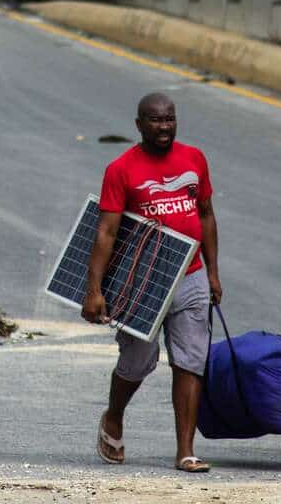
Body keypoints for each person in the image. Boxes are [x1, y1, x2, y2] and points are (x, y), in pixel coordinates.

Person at [81, 93, 221, 474]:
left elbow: (206, 214)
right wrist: (94, 291)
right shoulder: (121, 168)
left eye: (170, 119)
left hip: (190, 274)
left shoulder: (194, 159)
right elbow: (107, 232)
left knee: (190, 362)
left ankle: (186, 451)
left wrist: (212, 272)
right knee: (137, 361)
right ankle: (114, 415)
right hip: (143, 282)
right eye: (156, 120)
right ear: (139, 124)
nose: (164, 127)